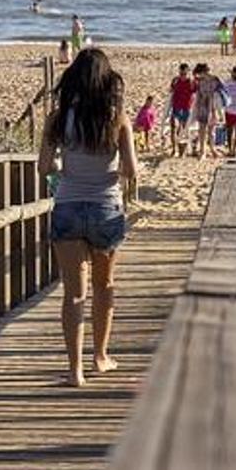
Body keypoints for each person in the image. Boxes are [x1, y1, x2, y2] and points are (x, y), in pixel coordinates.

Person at [37, 47, 137, 388]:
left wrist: (64, 168)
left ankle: (75, 370)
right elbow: (131, 170)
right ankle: (100, 357)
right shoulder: (117, 118)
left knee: (73, 293)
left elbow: (44, 166)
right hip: (106, 208)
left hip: (68, 206)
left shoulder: (57, 117)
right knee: (104, 286)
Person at [192, 63, 224, 159]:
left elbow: (220, 92)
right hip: (203, 106)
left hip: (211, 107)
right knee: (202, 129)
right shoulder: (201, 80)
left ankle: (211, 150)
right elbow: (196, 92)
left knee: (210, 130)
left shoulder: (214, 80)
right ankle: (203, 151)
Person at [168, 63, 196, 157]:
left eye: (184, 74)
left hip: (186, 109)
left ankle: (183, 151)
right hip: (176, 108)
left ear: (188, 72)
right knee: (174, 127)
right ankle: (173, 149)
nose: (182, 76)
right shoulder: (175, 80)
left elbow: (197, 93)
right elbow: (170, 92)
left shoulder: (191, 82)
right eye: (181, 73)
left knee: (184, 131)